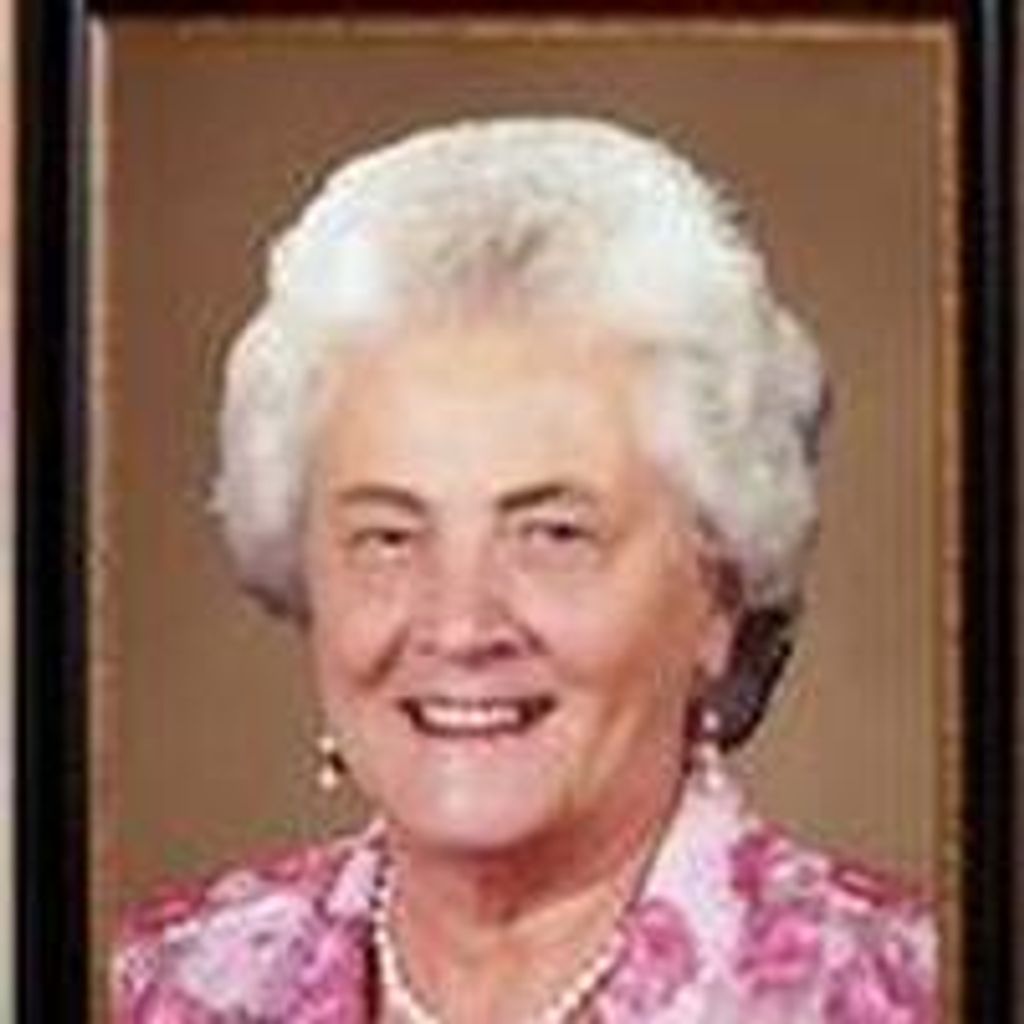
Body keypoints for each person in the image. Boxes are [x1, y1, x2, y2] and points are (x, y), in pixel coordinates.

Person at [112, 117, 936, 1023]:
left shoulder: (912, 993)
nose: (460, 626)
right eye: (389, 537)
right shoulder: (157, 987)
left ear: (719, 591)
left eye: (552, 535)